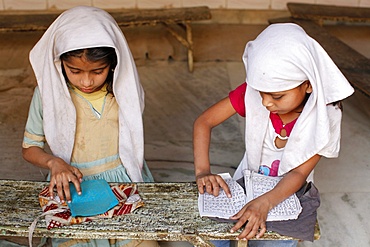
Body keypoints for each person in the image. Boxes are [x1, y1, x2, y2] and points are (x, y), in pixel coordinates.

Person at [193, 23, 354, 247]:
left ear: (307, 85)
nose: (266, 103)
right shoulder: (255, 92)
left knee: (271, 241)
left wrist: (264, 203)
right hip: (246, 184)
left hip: (288, 194)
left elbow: (298, 172)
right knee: (216, 237)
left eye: (277, 97)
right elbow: (204, 122)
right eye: (262, 93)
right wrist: (202, 172)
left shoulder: (326, 117)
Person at [22, 6, 159, 247]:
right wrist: (54, 163)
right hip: (72, 188)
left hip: (123, 181)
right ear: (59, 62)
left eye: (98, 71)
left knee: (142, 242)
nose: (86, 81)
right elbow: (29, 148)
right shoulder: (47, 95)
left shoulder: (123, 91)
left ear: (114, 64)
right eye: (74, 71)